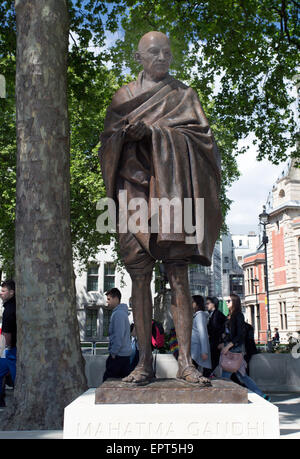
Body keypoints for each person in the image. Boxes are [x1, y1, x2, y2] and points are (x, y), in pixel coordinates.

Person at [99, 31, 222, 385]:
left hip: (173, 194)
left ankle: (186, 363)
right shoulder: (122, 96)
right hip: (134, 193)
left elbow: (204, 142)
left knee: (178, 275)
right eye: (154, 52)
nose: (162, 58)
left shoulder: (184, 95)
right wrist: (126, 135)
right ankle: (143, 364)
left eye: (167, 52)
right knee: (139, 275)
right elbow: (107, 144)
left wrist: (154, 134)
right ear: (139, 57)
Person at [219, 294, 271, 401]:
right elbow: (231, 333)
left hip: (234, 349)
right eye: (226, 301)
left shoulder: (238, 315)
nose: (227, 303)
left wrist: (228, 346)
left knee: (225, 375)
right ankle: (261, 395)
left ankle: (221, 397)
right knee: (242, 375)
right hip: (231, 348)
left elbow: (240, 335)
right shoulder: (230, 315)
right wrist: (224, 339)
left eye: (229, 301)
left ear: (235, 301)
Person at [102, 288, 132, 382]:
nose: (107, 302)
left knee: (107, 384)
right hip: (123, 355)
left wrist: (114, 353)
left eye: (109, 299)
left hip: (119, 356)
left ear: (116, 298)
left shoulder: (118, 314)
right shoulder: (121, 313)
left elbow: (119, 335)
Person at [0, 280, 17, 407]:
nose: (1, 293)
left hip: (11, 349)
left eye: (3, 291)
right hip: (13, 348)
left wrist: (7, 348)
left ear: (12, 292)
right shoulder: (15, 306)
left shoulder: (8, 311)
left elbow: (7, 334)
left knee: (16, 375)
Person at [203, 296, 226, 377]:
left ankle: (205, 376)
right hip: (212, 343)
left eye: (208, 303)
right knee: (210, 362)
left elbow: (218, 330)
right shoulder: (211, 314)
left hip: (215, 343)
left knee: (212, 362)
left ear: (214, 304)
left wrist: (220, 342)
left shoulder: (218, 315)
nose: (206, 305)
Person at [191, 295, 211, 375]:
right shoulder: (197, 315)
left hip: (197, 351)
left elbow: (203, 334)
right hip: (194, 350)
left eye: (192, 302)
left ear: (197, 304)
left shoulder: (200, 315)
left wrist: (204, 351)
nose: (191, 303)